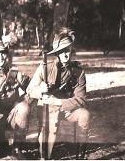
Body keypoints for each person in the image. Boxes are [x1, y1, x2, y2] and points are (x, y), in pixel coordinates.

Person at [27, 27, 90, 159]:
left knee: (84, 114)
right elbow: (30, 89)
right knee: (46, 152)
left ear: (71, 50)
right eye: (62, 52)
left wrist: (58, 102)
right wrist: (41, 90)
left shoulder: (78, 72)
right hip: (48, 110)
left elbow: (81, 100)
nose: (65, 55)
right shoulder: (45, 67)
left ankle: (81, 155)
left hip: (67, 109)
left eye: (67, 50)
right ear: (57, 53)